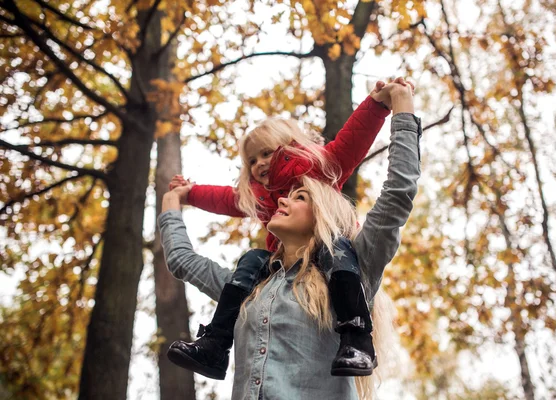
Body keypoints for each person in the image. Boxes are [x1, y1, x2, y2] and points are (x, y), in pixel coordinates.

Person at [158, 80, 422, 399]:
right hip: (267, 275)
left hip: (339, 260)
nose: (280, 201)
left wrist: (395, 104)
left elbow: (395, 190)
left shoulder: (352, 264)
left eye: (299, 197)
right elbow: (183, 260)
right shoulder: (252, 288)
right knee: (251, 258)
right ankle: (214, 344)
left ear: (322, 206)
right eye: (252, 161)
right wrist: (175, 202)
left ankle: (356, 335)